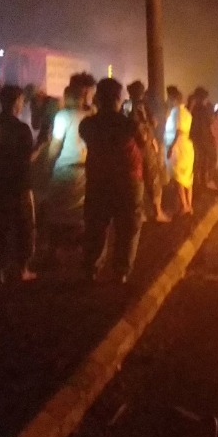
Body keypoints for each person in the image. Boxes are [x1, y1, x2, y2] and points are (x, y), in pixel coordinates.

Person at [79, 78, 144, 284]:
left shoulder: (87, 125)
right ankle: (121, 271)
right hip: (127, 181)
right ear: (117, 99)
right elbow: (143, 142)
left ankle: (91, 268)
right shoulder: (127, 124)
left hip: (98, 180)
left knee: (96, 226)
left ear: (98, 98)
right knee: (128, 227)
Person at [0, 85, 38, 283]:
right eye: (21, 101)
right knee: (24, 228)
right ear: (16, 102)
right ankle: (22, 269)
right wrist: (43, 145)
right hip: (19, 187)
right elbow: (27, 158)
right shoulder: (22, 129)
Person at [43, 74, 96, 248]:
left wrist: (47, 168)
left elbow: (55, 147)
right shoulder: (93, 114)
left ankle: (54, 252)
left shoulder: (63, 116)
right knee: (82, 214)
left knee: (57, 213)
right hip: (87, 172)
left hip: (65, 171)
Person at [126, 80, 169, 223]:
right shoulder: (141, 106)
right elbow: (151, 124)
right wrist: (151, 139)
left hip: (130, 149)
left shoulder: (125, 106)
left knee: (137, 180)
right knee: (153, 178)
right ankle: (158, 212)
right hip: (145, 147)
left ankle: (141, 213)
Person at [163, 85, 195, 218]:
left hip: (178, 148)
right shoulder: (186, 112)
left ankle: (185, 205)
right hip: (186, 147)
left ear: (173, 98)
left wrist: (170, 147)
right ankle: (188, 205)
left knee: (178, 177)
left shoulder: (177, 112)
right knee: (187, 176)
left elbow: (178, 131)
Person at [189, 87, 218, 192]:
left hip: (195, 138)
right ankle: (207, 181)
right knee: (211, 159)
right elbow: (211, 121)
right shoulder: (206, 108)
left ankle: (199, 182)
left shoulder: (193, 108)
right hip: (204, 138)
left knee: (198, 161)